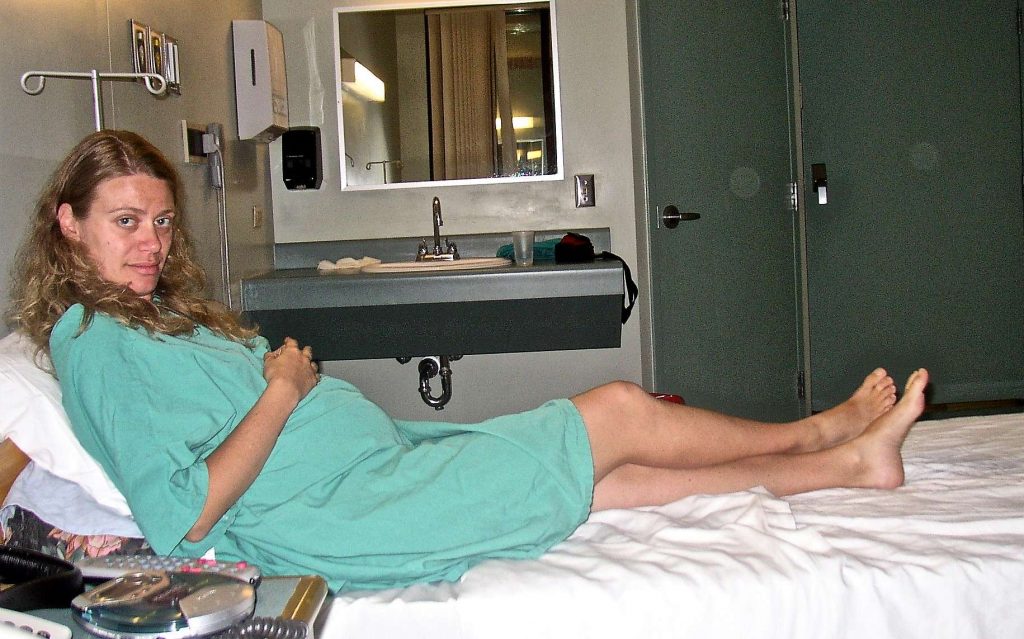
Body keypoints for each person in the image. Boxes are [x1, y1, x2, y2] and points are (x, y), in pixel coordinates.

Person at [8, 130, 929, 591]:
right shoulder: (94, 341)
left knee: (611, 476)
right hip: (343, 519)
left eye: (162, 221)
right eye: (126, 222)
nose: (152, 243)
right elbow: (179, 514)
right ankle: (822, 429)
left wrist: (283, 386)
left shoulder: (147, 313)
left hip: (373, 475)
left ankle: (845, 462)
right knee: (614, 411)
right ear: (69, 223)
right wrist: (283, 390)